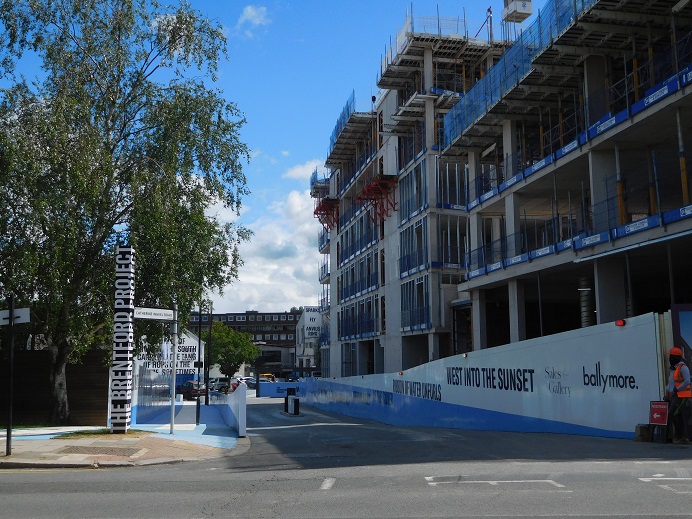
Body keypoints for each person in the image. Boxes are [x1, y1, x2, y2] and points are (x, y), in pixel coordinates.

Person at [665, 346, 691, 444]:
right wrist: (668, 391)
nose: (670, 359)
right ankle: (683, 437)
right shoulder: (673, 370)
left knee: (672, 413)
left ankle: (680, 435)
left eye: (673, 357)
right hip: (675, 396)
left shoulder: (683, 368)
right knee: (679, 416)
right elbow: (671, 384)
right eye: (670, 356)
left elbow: (688, 381)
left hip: (682, 396)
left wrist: (677, 389)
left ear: (678, 358)